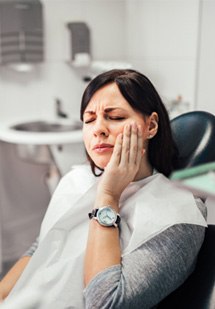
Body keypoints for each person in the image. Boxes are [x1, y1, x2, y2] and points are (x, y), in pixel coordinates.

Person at [0, 69, 207, 308]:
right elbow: (44, 246)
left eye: (116, 117)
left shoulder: (179, 216)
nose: (98, 128)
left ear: (150, 126)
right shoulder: (76, 180)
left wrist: (108, 195)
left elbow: (105, 303)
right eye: (89, 120)